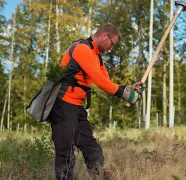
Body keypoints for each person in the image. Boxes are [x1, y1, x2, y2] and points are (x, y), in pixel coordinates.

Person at [48, 23, 144, 180]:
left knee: (92, 148)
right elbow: (100, 82)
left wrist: (129, 89)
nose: (111, 48)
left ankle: (100, 178)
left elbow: (107, 81)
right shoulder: (81, 49)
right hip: (62, 104)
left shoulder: (97, 57)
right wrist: (127, 96)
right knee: (65, 152)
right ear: (105, 36)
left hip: (76, 107)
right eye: (112, 44)